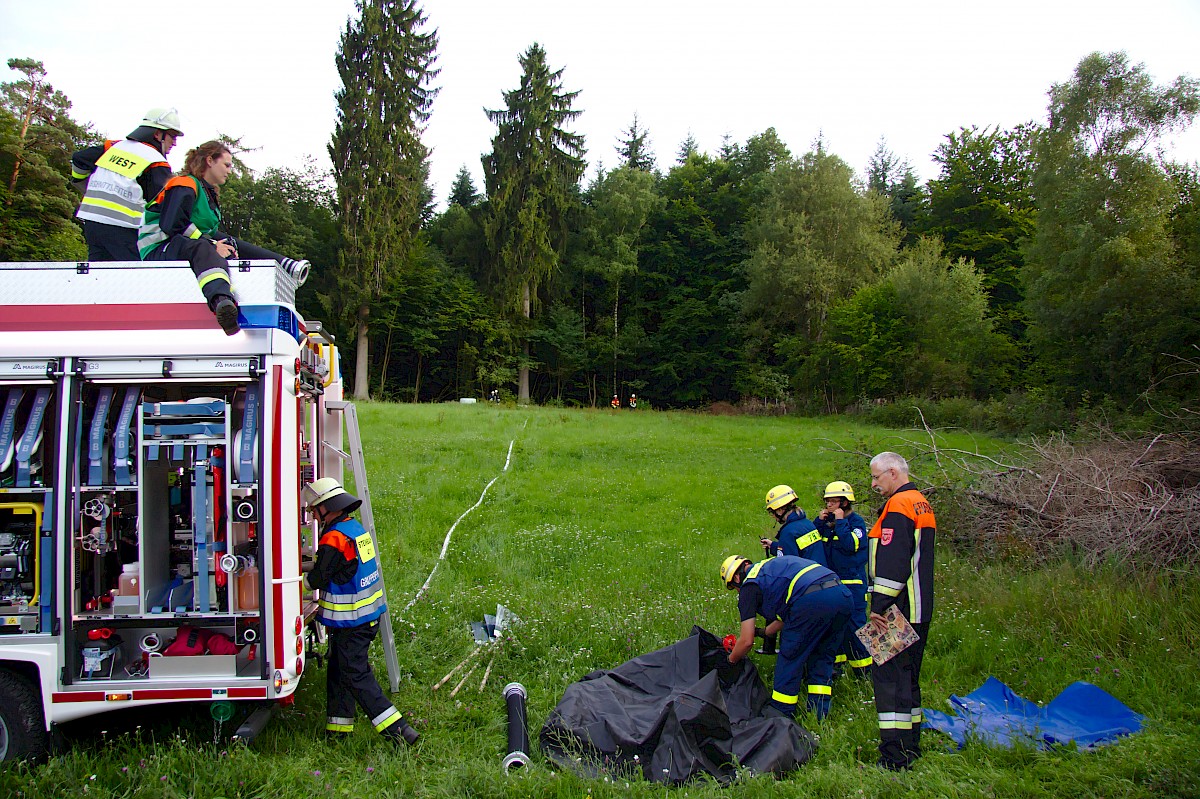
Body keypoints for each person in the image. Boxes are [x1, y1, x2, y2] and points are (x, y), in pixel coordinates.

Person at [138, 140, 310, 335]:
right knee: (205, 248)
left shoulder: (206, 193)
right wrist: (212, 244)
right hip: (159, 247)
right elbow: (171, 225)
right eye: (226, 165)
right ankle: (222, 303)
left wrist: (224, 246)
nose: (229, 171)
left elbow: (206, 232)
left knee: (229, 243)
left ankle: (287, 266)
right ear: (210, 160)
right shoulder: (184, 183)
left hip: (180, 244)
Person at [301, 477, 419, 745]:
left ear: (327, 507)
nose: (312, 515)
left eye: (313, 509)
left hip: (351, 622)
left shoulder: (333, 537)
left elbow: (320, 577)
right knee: (338, 670)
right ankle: (338, 730)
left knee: (355, 675)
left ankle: (400, 731)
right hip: (366, 617)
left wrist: (294, 584)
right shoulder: (354, 530)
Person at [720, 554, 852, 720]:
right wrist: (764, 632)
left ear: (737, 578)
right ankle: (819, 714)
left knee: (791, 656)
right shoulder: (769, 570)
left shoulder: (749, 586)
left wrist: (731, 661)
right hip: (841, 595)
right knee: (822, 656)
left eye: (734, 588)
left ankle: (781, 713)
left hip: (812, 600)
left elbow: (746, 641)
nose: (738, 592)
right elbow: (788, 610)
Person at [867, 452, 935, 771]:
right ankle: (911, 746)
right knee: (909, 679)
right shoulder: (921, 502)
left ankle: (893, 758)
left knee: (889, 681)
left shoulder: (898, 506)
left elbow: (893, 565)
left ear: (893, 473)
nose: (874, 484)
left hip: (896, 609)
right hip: (920, 606)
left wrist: (877, 606)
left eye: (877, 477)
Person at [71, 108, 183, 261]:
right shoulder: (156, 161)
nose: (175, 143)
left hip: (92, 221)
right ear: (157, 134)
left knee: (99, 276)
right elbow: (165, 205)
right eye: (173, 136)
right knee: (133, 277)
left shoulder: (113, 147)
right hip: (123, 227)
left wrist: (83, 185)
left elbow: (79, 159)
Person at [813, 481, 873, 678]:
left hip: (853, 584)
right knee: (834, 627)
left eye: (833, 501)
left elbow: (850, 545)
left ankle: (864, 672)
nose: (829, 505)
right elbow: (813, 544)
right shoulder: (828, 524)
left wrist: (840, 523)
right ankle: (836, 669)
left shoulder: (856, 523)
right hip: (832, 584)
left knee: (855, 628)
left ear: (845, 503)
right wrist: (819, 523)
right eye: (827, 501)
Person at [761, 484, 827, 565]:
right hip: (823, 574)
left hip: (806, 577)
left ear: (780, 510)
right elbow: (801, 550)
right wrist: (773, 546)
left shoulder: (788, 532)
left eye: (772, 512)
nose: (773, 516)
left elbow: (788, 566)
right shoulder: (807, 524)